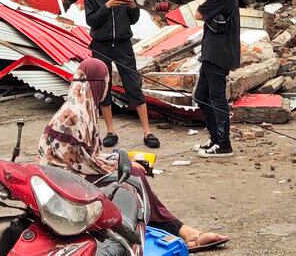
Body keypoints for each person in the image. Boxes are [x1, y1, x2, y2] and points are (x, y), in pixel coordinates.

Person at [39, 59, 229, 251]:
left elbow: (87, 157)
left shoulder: (82, 106)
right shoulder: (75, 115)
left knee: (132, 170)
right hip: (64, 184)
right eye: (106, 82)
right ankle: (183, 231)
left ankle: (176, 230)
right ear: (99, 83)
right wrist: (120, 165)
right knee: (133, 176)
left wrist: (120, 160)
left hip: (69, 175)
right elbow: (84, 162)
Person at [83, 0, 158, 149]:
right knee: (104, 88)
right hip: (102, 45)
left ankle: (147, 132)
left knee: (133, 84)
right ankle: (110, 131)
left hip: (124, 43)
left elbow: (133, 19)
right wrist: (107, 6)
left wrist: (133, 6)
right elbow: (91, 21)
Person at [193, 0, 240, 160]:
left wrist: (206, 11)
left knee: (217, 97)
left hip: (219, 52)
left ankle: (224, 144)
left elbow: (199, 14)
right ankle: (215, 138)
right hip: (212, 50)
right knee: (201, 95)